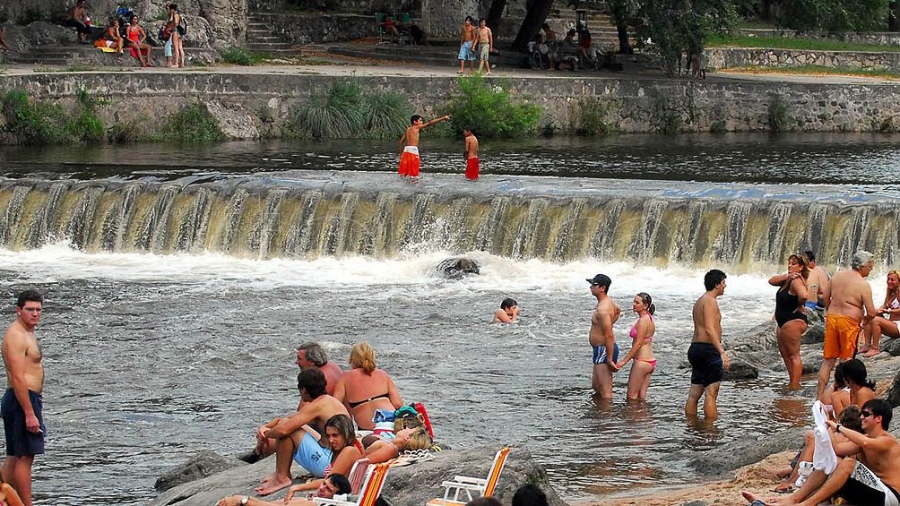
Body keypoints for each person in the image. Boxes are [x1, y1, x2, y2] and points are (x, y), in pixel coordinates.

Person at [743, 399, 900, 506]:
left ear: (878, 419)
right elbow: (837, 449)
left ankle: (807, 504)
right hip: (874, 491)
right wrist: (826, 424)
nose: (861, 417)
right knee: (833, 461)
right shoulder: (867, 438)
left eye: (865, 414)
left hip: (891, 497)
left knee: (849, 463)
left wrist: (839, 428)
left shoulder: (886, 440)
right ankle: (793, 499)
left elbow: (866, 443)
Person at [254, 369, 350, 495]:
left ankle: (282, 478)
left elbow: (284, 429)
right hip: (333, 454)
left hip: (328, 463)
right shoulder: (328, 400)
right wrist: (265, 427)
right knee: (290, 425)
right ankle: (279, 473)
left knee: (289, 431)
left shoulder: (317, 406)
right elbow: (288, 419)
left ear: (303, 390)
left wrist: (265, 434)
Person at [1, 290, 45, 506]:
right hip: (22, 399)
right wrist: (29, 413)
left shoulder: (27, 332)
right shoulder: (16, 335)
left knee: (14, 454)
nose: (35, 314)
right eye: (30, 309)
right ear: (18, 310)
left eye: (38, 309)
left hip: (22, 399)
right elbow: (18, 377)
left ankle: (6, 500)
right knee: (25, 456)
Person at [815, 250, 876, 401]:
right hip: (848, 323)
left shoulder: (837, 276)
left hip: (833, 318)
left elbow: (824, 296)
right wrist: (866, 321)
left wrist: (831, 309)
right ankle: (842, 397)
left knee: (828, 360)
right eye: (870, 266)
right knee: (847, 360)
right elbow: (872, 312)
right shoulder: (863, 285)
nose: (871, 269)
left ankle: (819, 397)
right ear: (863, 266)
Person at [274, 414, 363, 498]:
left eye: (335, 435)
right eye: (328, 436)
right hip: (338, 495)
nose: (331, 440)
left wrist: (296, 488)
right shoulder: (353, 447)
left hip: (335, 498)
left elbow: (329, 481)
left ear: (346, 433)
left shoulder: (348, 451)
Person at [685, 269, 729, 419]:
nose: (725, 286)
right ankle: (710, 432)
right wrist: (722, 352)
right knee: (711, 394)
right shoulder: (710, 301)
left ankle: (691, 426)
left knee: (694, 394)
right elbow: (710, 328)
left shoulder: (700, 301)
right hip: (708, 349)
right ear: (717, 284)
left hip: (696, 348)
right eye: (723, 283)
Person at [332, 342, 403, 431]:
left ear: (352, 358)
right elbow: (398, 404)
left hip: (366, 430)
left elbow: (334, 405)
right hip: (390, 424)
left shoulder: (345, 378)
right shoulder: (383, 374)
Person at [769, 254, 810, 390]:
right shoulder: (788, 279)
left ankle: (795, 384)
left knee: (793, 355)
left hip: (793, 320)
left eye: (793, 264)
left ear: (801, 267)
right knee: (785, 354)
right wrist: (787, 276)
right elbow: (771, 281)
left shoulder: (797, 280)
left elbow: (804, 295)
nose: (790, 266)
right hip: (783, 320)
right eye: (789, 263)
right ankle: (792, 380)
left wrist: (800, 304)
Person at [615, 292, 657, 401]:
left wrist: (623, 361)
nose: (634, 304)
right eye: (634, 301)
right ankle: (643, 417)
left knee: (631, 397)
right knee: (641, 397)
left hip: (642, 362)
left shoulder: (643, 321)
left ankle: (633, 418)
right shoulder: (649, 317)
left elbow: (638, 344)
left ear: (645, 305)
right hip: (650, 362)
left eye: (637, 302)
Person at [216, 473, 350, 506]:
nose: (322, 488)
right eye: (323, 484)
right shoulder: (313, 499)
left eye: (328, 489)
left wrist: (243, 500)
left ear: (336, 496)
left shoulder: (314, 503)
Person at [587, 273, 621, 399]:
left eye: (594, 285)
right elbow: (618, 310)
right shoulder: (609, 302)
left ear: (603, 288)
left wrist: (609, 358)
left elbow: (609, 335)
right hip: (600, 349)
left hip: (604, 349)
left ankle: (606, 417)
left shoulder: (603, 309)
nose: (591, 287)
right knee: (596, 387)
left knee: (605, 391)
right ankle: (600, 414)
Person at [397, 114, 451, 180]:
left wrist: (401, 154)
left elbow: (400, 142)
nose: (422, 122)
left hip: (406, 150)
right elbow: (429, 123)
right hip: (413, 150)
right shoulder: (416, 127)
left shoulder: (408, 129)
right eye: (420, 120)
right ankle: (414, 185)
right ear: (415, 122)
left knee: (404, 172)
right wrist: (443, 118)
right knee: (414, 172)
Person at [861, 269, 899, 357]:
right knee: (870, 316)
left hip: (898, 325)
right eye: (888, 279)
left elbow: (888, 310)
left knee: (876, 320)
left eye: (892, 280)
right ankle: (867, 345)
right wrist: (874, 312)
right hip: (893, 324)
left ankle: (875, 348)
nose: (889, 282)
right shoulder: (892, 292)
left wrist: (889, 311)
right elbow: (884, 307)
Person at [364, 426, 433, 463]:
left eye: (410, 429)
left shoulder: (390, 449)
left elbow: (363, 462)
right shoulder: (389, 443)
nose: (406, 428)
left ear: (407, 438)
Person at [167, 4, 186, 68]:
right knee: (180, 47)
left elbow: (175, 23)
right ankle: (182, 63)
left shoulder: (175, 15)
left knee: (176, 47)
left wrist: (172, 28)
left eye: (169, 9)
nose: (169, 10)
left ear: (172, 9)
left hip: (176, 31)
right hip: (180, 32)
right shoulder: (179, 15)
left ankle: (176, 63)